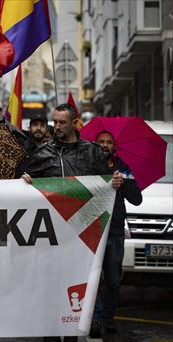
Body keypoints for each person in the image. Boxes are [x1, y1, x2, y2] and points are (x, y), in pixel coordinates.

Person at [21, 104, 123, 342]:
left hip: (82, 230)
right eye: (54, 122)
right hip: (52, 231)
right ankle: (50, 332)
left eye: (62, 122)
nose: (56, 127)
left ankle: (75, 330)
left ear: (75, 122)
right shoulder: (43, 152)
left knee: (79, 284)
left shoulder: (92, 151)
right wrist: (25, 179)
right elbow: (25, 182)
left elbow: (106, 182)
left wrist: (115, 182)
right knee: (52, 284)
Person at [90, 131, 142, 338]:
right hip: (93, 230)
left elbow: (137, 199)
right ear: (95, 144)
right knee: (94, 278)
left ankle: (108, 317)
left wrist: (124, 183)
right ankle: (95, 317)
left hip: (114, 231)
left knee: (112, 278)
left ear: (114, 146)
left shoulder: (124, 168)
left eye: (109, 142)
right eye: (101, 141)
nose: (105, 145)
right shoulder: (89, 166)